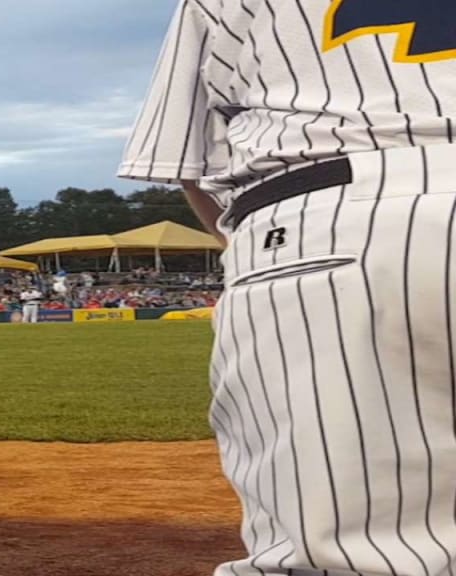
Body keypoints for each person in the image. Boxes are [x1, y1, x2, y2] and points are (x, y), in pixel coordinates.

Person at [119, 1, 456, 575]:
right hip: (347, 212)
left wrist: (266, 254)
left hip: (339, 211)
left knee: (353, 555)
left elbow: (188, 161)